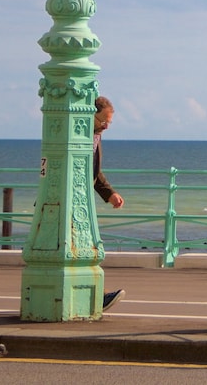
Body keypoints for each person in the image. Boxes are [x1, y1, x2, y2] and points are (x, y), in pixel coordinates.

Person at [93, 96, 126, 311]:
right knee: (89, 246)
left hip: (81, 200)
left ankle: (96, 295)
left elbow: (93, 171)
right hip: (70, 200)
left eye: (109, 122)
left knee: (89, 246)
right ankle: (98, 296)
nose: (106, 125)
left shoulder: (96, 135)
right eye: (103, 120)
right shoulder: (82, 133)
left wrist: (109, 194)